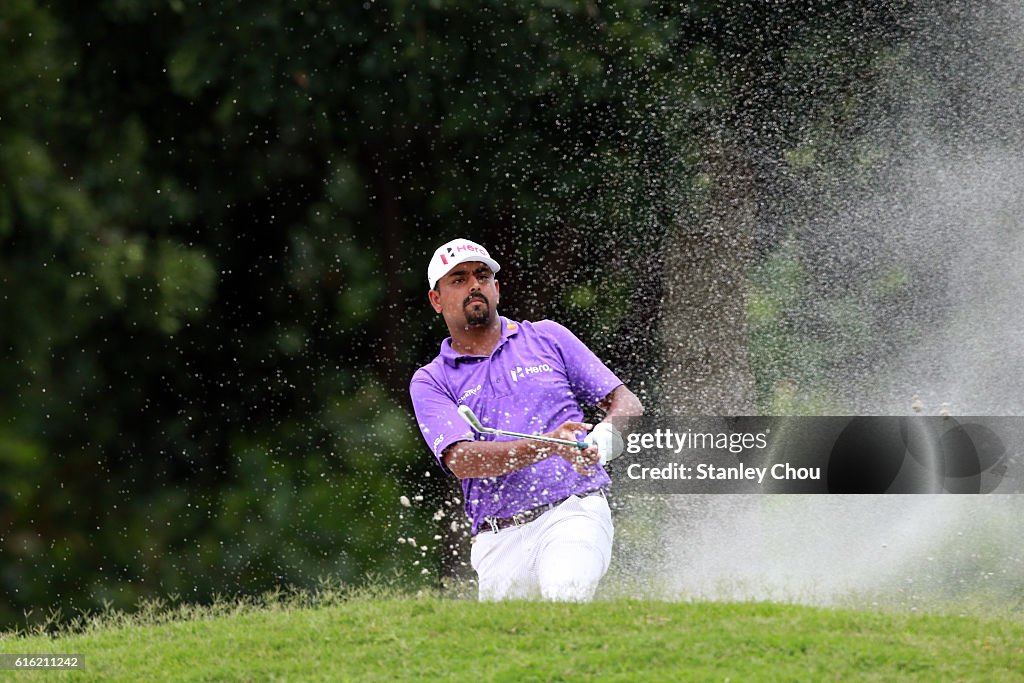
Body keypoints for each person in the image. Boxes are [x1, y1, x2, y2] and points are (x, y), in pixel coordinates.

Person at [409, 237, 643, 601]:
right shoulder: (432, 380)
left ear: (496, 289)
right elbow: (462, 460)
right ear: (436, 300)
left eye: (481, 275)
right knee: (513, 645)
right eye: (458, 279)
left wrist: (606, 436)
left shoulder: (547, 337)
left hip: (573, 511)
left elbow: (625, 402)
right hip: (497, 539)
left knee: (565, 599)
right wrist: (550, 444)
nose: (474, 285)